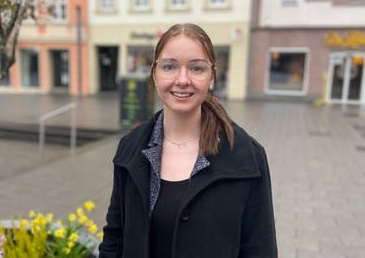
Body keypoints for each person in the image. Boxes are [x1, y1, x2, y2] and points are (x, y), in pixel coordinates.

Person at [99, 23, 277, 258]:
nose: (182, 80)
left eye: (196, 68)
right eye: (169, 66)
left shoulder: (247, 156)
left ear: (211, 75)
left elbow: (260, 249)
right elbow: (114, 239)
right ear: (154, 73)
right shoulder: (130, 148)